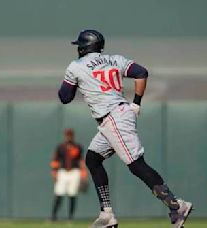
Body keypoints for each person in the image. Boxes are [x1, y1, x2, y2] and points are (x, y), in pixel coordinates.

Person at [57, 30, 193, 228]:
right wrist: (136, 103)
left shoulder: (76, 66)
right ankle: (107, 214)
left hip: (113, 118)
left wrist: (76, 81)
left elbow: (64, 97)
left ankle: (176, 205)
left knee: (137, 165)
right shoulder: (115, 59)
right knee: (93, 159)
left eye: (80, 45)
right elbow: (141, 72)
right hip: (117, 114)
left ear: (84, 47)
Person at [50, 128, 88, 221]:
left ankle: (70, 217)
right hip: (62, 172)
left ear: (73, 136)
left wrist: (84, 175)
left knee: (72, 194)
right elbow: (55, 160)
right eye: (67, 135)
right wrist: (54, 172)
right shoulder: (61, 147)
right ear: (65, 136)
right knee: (59, 193)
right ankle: (53, 216)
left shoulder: (78, 147)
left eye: (70, 135)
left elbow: (81, 161)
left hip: (74, 172)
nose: (69, 137)